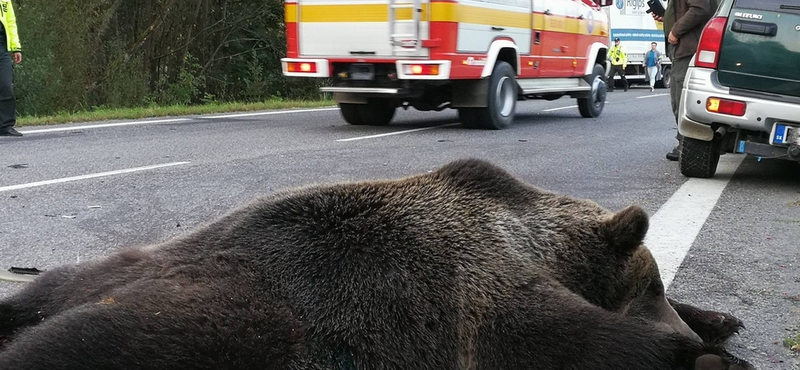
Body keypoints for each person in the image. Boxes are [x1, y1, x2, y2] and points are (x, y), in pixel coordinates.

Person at [653, 0, 717, 161]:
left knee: (681, 99)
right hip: (685, 48)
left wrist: (675, 30)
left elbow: (700, 8)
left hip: (689, 48)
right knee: (679, 98)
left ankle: (687, 145)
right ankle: (686, 143)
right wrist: (666, 17)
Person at [0, 0, 22, 137]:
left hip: (2, 48)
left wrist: (16, 48)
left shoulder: (5, 1)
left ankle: (5, 126)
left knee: (6, 85)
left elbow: (11, 23)